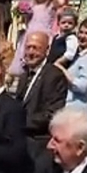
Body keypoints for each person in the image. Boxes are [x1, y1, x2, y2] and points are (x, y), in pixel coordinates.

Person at [15, 31, 68, 160]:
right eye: (28, 47)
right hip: (20, 141)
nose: (31, 52)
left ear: (47, 50)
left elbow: (52, 113)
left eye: (36, 48)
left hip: (38, 144)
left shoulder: (54, 76)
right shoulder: (24, 75)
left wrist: (20, 123)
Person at [7, 0, 67, 77]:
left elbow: (61, 2)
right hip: (29, 34)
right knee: (25, 57)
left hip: (43, 35)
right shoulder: (32, 3)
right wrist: (22, 13)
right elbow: (27, 21)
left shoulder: (51, 4)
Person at [54, 16, 87, 110]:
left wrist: (61, 68)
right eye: (81, 32)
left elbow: (81, 86)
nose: (82, 36)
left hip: (77, 108)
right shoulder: (79, 55)